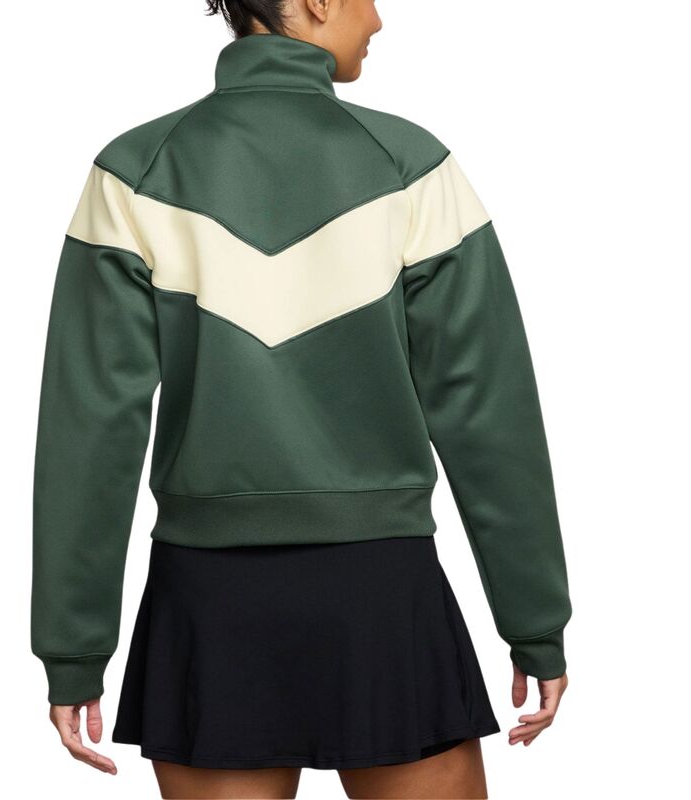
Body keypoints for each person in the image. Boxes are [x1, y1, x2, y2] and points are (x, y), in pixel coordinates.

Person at [30, 1, 573, 797]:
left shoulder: (134, 173)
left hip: (208, 602)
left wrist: (73, 649)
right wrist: (535, 623)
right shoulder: (411, 167)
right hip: (382, 596)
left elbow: (89, 427)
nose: (378, 19)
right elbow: (488, 413)